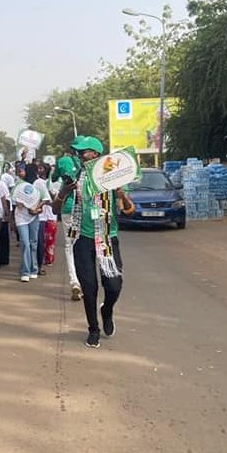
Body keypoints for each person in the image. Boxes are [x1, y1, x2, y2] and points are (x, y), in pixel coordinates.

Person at [53, 136, 135, 349]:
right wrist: (64, 192)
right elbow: (55, 209)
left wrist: (121, 196)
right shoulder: (75, 177)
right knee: (89, 287)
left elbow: (129, 209)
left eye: (85, 151)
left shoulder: (111, 176)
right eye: (79, 152)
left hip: (107, 236)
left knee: (114, 285)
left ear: (97, 153)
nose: (81, 155)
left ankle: (107, 310)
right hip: (83, 238)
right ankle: (93, 329)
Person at [52, 152, 84, 301]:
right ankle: (84, 280)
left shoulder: (62, 160)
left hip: (68, 209)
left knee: (70, 245)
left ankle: (74, 281)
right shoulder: (91, 164)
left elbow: (53, 178)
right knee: (86, 244)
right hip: (86, 209)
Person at [11, 162, 48, 282]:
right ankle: (25, 271)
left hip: (34, 217)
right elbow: (13, 198)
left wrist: (36, 208)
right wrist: (19, 203)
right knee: (25, 243)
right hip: (21, 217)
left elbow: (46, 199)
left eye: (24, 170)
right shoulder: (19, 184)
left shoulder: (38, 184)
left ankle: (34, 269)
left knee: (33, 243)